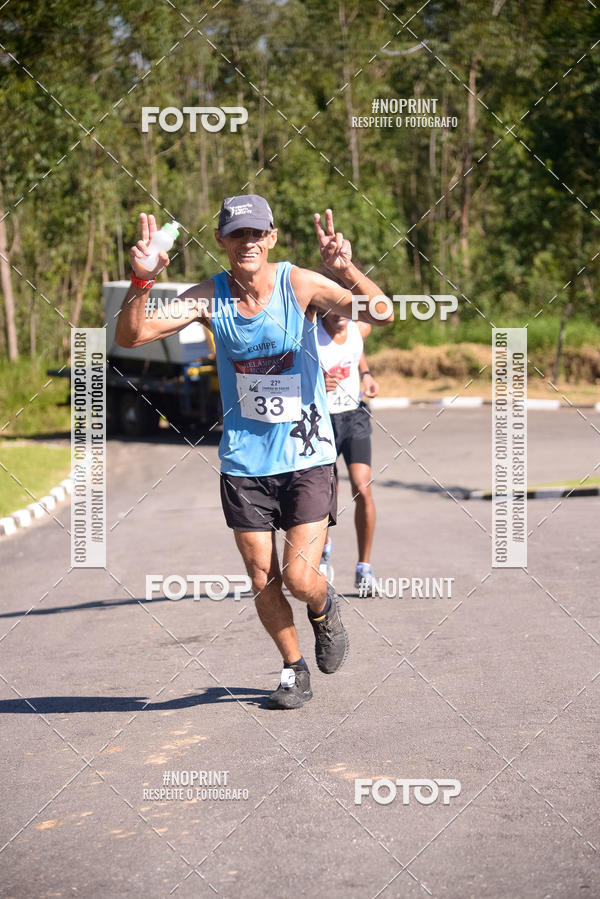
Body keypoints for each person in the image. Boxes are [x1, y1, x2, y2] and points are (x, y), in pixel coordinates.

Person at [115, 197, 392, 710]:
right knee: (261, 577)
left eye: (255, 233)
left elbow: (382, 311)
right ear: (222, 242)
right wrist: (142, 280)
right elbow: (131, 335)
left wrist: (345, 269)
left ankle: (326, 607)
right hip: (244, 462)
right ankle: (293, 668)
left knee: (300, 577)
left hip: (307, 454)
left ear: (271, 238)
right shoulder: (209, 297)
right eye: (235, 235)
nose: (247, 243)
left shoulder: (300, 284)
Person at [316, 304, 379, 591]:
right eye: (335, 307)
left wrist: (366, 374)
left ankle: (364, 569)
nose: (342, 314)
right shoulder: (309, 335)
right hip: (322, 420)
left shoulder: (359, 328)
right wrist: (318, 381)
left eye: (348, 308)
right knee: (328, 494)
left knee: (362, 487)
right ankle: (324, 552)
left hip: (354, 416)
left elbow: (357, 352)